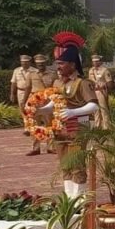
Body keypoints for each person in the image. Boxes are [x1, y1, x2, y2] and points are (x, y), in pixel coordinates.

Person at [49, 32, 99, 197]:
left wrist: (73, 112)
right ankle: (69, 198)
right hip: (60, 127)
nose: (58, 67)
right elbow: (53, 103)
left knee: (76, 164)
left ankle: (80, 198)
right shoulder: (57, 82)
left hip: (78, 126)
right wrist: (39, 109)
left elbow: (93, 106)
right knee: (64, 164)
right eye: (57, 63)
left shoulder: (82, 83)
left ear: (72, 64)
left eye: (61, 63)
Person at [26, 54, 58, 155]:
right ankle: (36, 148)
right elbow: (28, 88)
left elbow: (55, 88)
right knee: (34, 125)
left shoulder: (52, 74)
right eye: (38, 64)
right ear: (35, 64)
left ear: (46, 63)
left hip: (47, 101)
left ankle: (51, 146)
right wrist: (23, 102)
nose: (40, 65)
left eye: (42, 63)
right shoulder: (31, 74)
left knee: (49, 124)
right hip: (34, 101)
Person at [88, 55, 113, 129]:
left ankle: (106, 127)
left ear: (100, 61)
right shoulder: (91, 70)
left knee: (103, 109)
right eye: (94, 61)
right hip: (94, 91)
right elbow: (90, 81)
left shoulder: (105, 70)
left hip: (101, 91)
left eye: (97, 61)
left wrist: (107, 91)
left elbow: (109, 82)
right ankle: (97, 126)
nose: (95, 63)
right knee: (95, 109)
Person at [10, 55, 38, 120]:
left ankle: (34, 124)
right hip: (20, 92)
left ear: (29, 62)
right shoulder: (17, 70)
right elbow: (13, 83)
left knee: (33, 108)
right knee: (22, 108)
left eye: (26, 62)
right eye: (23, 62)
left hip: (32, 92)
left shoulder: (35, 71)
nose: (24, 63)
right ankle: (26, 125)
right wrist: (12, 94)